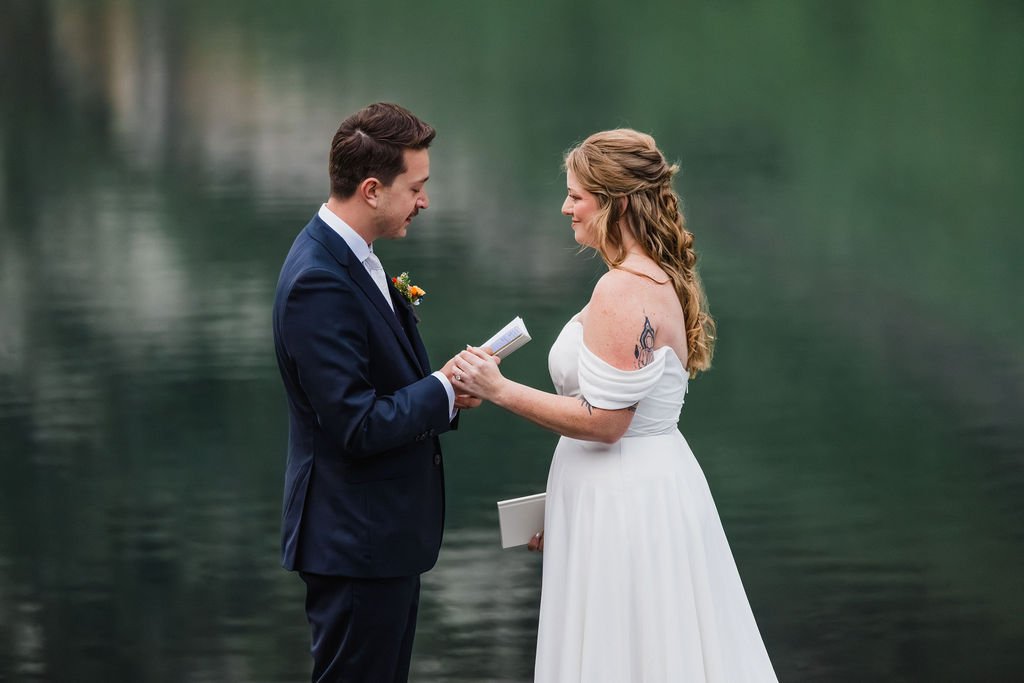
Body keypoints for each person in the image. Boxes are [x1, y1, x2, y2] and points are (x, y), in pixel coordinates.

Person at [452, 129, 778, 681]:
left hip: (626, 503)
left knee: (625, 652)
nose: (566, 208)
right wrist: (566, 510)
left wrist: (496, 387)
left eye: (577, 196)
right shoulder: (649, 277)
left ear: (615, 203)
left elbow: (605, 424)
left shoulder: (622, 290)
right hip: (633, 494)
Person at [272, 102, 477, 683]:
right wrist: (442, 389)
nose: (424, 201)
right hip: (353, 542)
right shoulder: (318, 280)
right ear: (371, 189)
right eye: (417, 187)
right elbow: (354, 424)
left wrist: (448, 391)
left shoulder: (354, 258)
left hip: (378, 537)